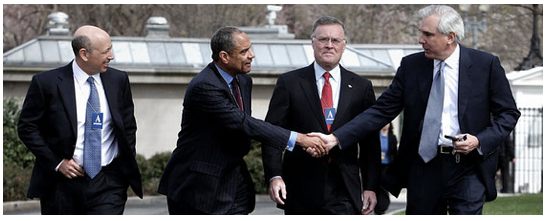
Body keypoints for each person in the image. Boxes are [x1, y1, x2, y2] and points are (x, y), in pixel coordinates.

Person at [311, 5, 520, 214]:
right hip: (423, 166)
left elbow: (508, 113)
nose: (421, 39)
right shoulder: (412, 66)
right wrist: (336, 138)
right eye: (421, 33)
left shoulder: (486, 65)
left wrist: (479, 140)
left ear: (450, 37)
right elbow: (381, 111)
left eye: (428, 34)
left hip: (468, 167)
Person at [157, 26, 324, 215]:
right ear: (224, 57)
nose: (251, 55)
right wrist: (298, 139)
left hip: (234, 180)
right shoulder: (204, 86)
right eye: (244, 51)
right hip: (198, 186)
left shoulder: (243, 81)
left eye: (250, 48)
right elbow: (244, 123)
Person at [17, 25, 143, 214]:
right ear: (84, 54)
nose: (112, 56)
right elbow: (27, 127)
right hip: (62, 186)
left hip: (108, 181)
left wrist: (123, 167)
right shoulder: (47, 83)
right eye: (106, 51)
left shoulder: (119, 80)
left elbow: (128, 126)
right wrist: (57, 162)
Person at [262, 16, 380, 215]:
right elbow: (272, 134)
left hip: (345, 190)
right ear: (313, 42)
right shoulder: (289, 83)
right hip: (301, 188)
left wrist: (371, 186)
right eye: (323, 39)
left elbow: (370, 143)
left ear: (344, 45)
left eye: (335, 40)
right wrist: (274, 176)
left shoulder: (362, 87)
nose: (329, 45)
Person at [374, 123, 398, 215]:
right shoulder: (376, 136)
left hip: (387, 166)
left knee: (384, 186)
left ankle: (383, 205)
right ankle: (377, 206)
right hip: (377, 166)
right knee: (376, 186)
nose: (385, 125)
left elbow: (395, 153)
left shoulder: (392, 137)